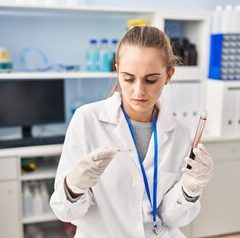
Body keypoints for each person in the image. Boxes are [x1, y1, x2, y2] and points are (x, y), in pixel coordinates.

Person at [50, 25, 213, 238]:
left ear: (169, 74)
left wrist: (189, 190)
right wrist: (74, 186)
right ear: (117, 70)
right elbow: (65, 211)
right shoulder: (87, 120)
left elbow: (172, 219)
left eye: (151, 80)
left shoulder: (179, 134)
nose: (139, 91)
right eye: (128, 78)